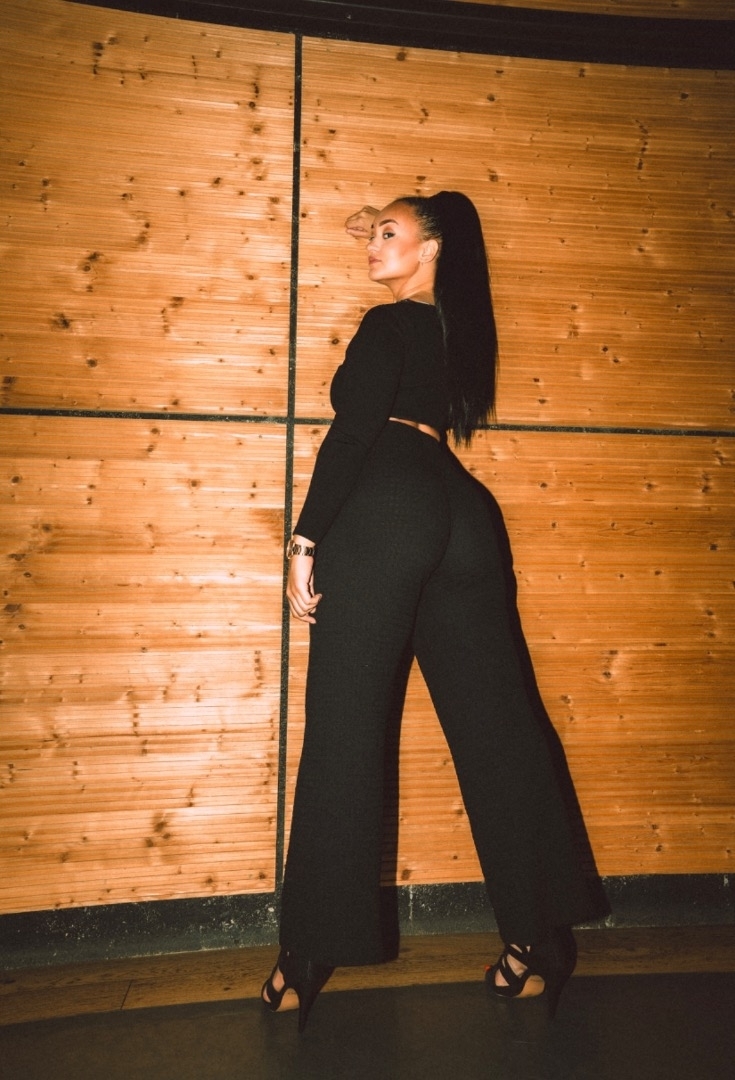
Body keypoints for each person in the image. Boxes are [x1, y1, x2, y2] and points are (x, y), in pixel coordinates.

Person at [261, 191, 598, 1032]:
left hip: (385, 505)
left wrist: (303, 538)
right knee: (499, 727)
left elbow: (353, 432)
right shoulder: (458, 331)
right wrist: (387, 220)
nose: (370, 245)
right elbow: (407, 239)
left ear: (433, 247)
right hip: (462, 514)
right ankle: (538, 940)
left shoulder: (387, 325)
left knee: (345, 727)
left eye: (390, 235)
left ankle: (306, 956)